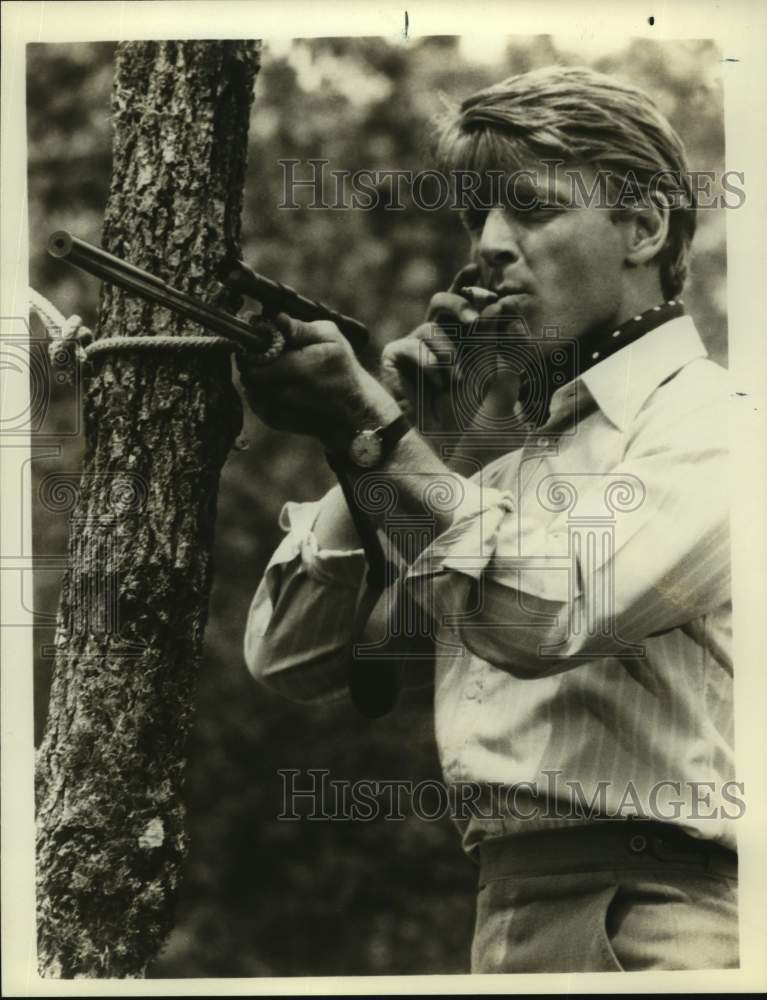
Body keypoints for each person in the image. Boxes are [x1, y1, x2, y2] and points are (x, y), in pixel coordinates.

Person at [239, 65, 737, 973]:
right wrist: (391, 441)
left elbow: (548, 616)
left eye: (532, 210)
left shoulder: (719, 425)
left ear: (643, 225)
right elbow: (294, 655)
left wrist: (376, 432)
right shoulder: (506, 460)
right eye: (477, 217)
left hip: (661, 925)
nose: (489, 248)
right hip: (505, 919)